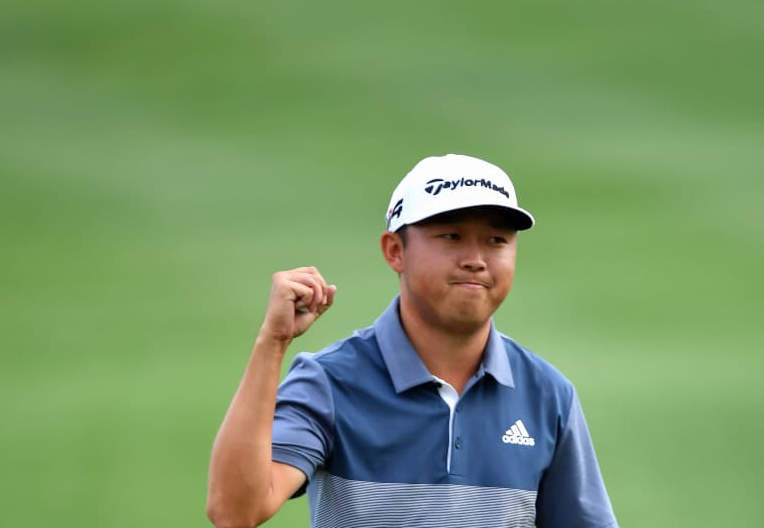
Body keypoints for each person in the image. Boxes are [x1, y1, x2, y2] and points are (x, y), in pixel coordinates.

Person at [206, 154, 618, 528]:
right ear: (394, 251)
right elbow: (235, 511)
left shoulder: (547, 394)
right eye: (451, 236)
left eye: (497, 240)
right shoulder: (329, 383)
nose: (476, 258)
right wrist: (273, 342)